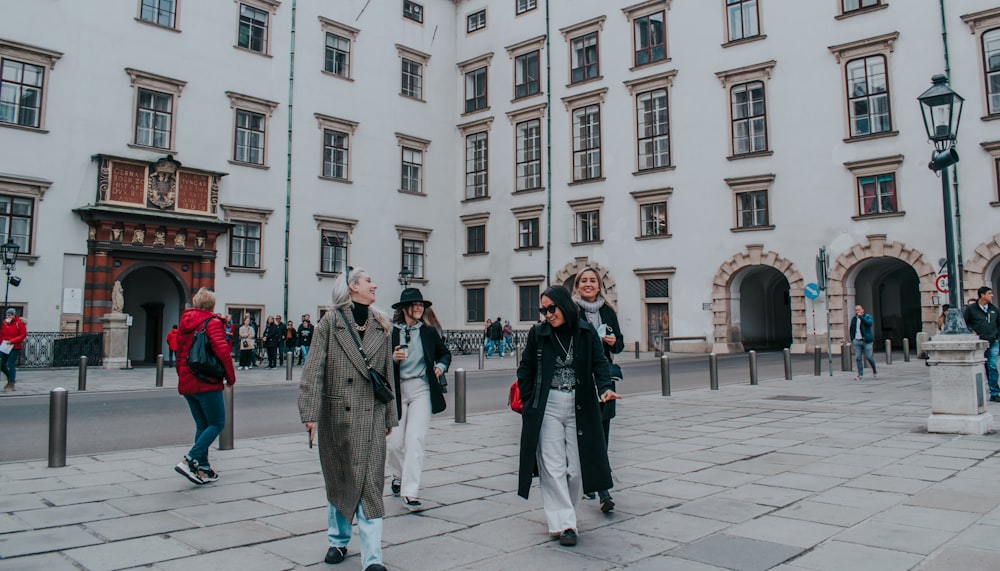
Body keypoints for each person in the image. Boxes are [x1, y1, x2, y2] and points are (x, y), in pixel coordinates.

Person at [298, 268, 395, 571]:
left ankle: (373, 557)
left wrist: (390, 415)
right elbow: (314, 369)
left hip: (371, 415)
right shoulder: (329, 323)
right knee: (341, 481)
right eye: (369, 281)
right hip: (337, 416)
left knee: (370, 484)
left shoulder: (381, 325)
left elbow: (387, 376)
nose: (374, 284)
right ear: (353, 287)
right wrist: (310, 413)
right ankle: (338, 540)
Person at [516, 285, 621, 547]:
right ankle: (565, 524)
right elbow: (525, 368)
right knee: (552, 467)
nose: (548, 314)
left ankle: (567, 515)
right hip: (548, 404)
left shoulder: (585, 333)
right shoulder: (538, 334)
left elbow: (600, 364)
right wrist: (530, 401)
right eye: (543, 310)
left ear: (564, 305)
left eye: (552, 308)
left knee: (576, 469)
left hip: (580, 403)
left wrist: (605, 388)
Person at [386, 288, 451, 511]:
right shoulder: (390, 332)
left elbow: (445, 353)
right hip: (397, 391)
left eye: (421, 305)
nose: (418, 308)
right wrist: (392, 359)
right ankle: (397, 474)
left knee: (415, 440)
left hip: (422, 388)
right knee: (394, 443)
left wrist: (440, 368)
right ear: (404, 308)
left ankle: (410, 491)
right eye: (414, 304)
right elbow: (378, 362)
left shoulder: (428, 332)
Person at [573, 267, 624, 513]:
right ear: (577, 285)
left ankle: (601, 487)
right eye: (584, 280)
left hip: (604, 377)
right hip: (580, 378)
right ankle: (598, 487)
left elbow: (621, 344)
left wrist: (614, 342)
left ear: (599, 285)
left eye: (592, 280)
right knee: (584, 431)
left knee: (602, 433)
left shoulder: (608, 311)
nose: (588, 284)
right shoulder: (571, 310)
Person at [173, 288, 236, 484]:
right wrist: (230, 377)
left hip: (187, 380)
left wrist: (182, 377)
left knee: (203, 424)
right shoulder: (211, 322)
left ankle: (204, 468)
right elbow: (222, 351)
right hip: (206, 380)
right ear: (211, 305)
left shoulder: (185, 322)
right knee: (217, 422)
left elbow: (179, 350)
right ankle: (190, 458)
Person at [964, 286, 1000, 403]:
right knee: (977, 367)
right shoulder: (971, 309)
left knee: (992, 366)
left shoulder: (994, 309)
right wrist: (971, 331)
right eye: (989, 293)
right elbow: (964, 322)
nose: (992, 295)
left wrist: (997, 338)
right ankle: (974, 390)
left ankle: (994, 392)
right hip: (978, 343)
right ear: (982, 295)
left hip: (993, 342)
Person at [0, 308, 27, 391]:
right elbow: (2, 334)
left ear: (14, 315)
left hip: (14, 346)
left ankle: (11, 383)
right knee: (2, 364)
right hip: (5, 346)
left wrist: (12, 341)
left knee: (11, 363)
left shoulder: (19, 323)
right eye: (7, 315)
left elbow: (23, 334)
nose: (8, 316)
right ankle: (10, 378)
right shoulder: (5, 323)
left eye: (10, 315)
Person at [849, 304, 878, 380]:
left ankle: (874, 370)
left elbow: (869, 324)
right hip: (857, 341)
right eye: (856, 310)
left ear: (862, 310)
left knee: (869, 357)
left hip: (866, 341)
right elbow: (851, 329)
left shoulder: (867, 317)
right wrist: (853, 339)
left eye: (858, 310)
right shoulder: (854, 319)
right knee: (858, 357)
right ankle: (860, 374)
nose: (857, 311)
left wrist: (861, 317)